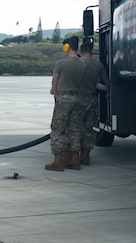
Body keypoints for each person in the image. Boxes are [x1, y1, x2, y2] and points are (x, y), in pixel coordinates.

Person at [46, 36, 87, 171]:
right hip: (78, 98)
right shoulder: (82, 63)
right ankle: (75, 160)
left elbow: (54, 83)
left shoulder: (61, 63)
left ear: (67, 47)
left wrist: (54, 91)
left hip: (64, 99)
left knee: (58, 129)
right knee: (75, 129)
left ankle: (58, 161)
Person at [78, 38, 109, 166]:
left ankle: (75, 156)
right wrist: (108, 92)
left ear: (81, 51)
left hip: (78, 99)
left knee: (76, 128)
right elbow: (106, 82)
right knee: (89, 128)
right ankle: (86, 155)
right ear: (91, 51)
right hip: (91, 98)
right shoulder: (98, 64)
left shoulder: (77, 63)